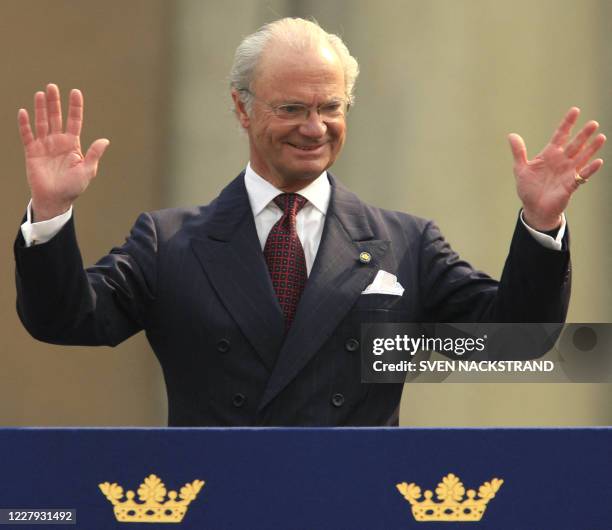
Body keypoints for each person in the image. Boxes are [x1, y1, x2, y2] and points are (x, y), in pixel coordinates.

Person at [14, 18, 606, 426]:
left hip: (358, 501)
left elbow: (515, 342)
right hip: (218, 500)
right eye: (292, 108)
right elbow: (64, 318)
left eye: (330, 107)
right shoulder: (170, 243)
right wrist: (51, 214)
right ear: (242, 108)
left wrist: (539, 222)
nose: (314, 127)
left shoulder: (405, 243)